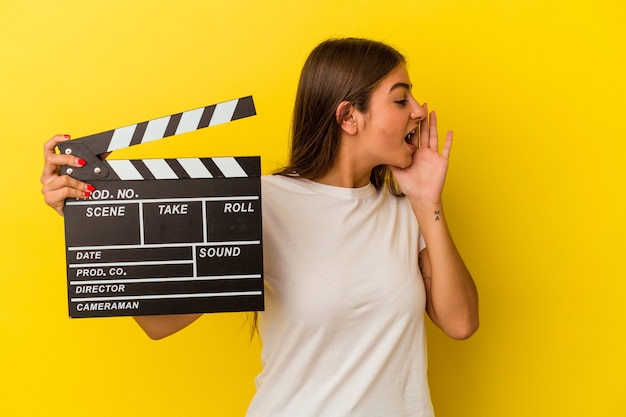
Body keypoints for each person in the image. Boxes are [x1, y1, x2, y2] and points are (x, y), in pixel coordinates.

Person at [41, 38, 478, 416]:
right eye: (401, 99)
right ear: (349, 117)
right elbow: (161, 323)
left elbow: (460, 323)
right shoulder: (264, 204)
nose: (420, 111)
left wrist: (428, 203)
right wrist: (86, 223)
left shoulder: (407, 211)